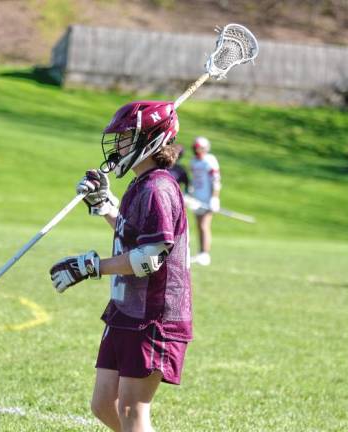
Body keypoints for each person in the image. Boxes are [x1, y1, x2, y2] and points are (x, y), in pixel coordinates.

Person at [49, 100, 192, 432]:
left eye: (126, 137)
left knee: (131, 410)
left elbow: (148, 259)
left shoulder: (158, 188)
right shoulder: (140, 183)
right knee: (103, 405)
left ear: (151, 140)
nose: (118, 145)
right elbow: (132, 235)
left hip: (153, 316)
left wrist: (90, 266)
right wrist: (104, 204)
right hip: (127, 309)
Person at [189, 136, 221, 266]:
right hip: (197, 199)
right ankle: (201, 252)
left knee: (204, 225)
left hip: (207, 199)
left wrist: (215, 197)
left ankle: (205, 254)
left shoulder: (210, 161)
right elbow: (194, 180)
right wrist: (190, 193)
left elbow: (216, 180)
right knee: (198, 226)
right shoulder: (193, 162)